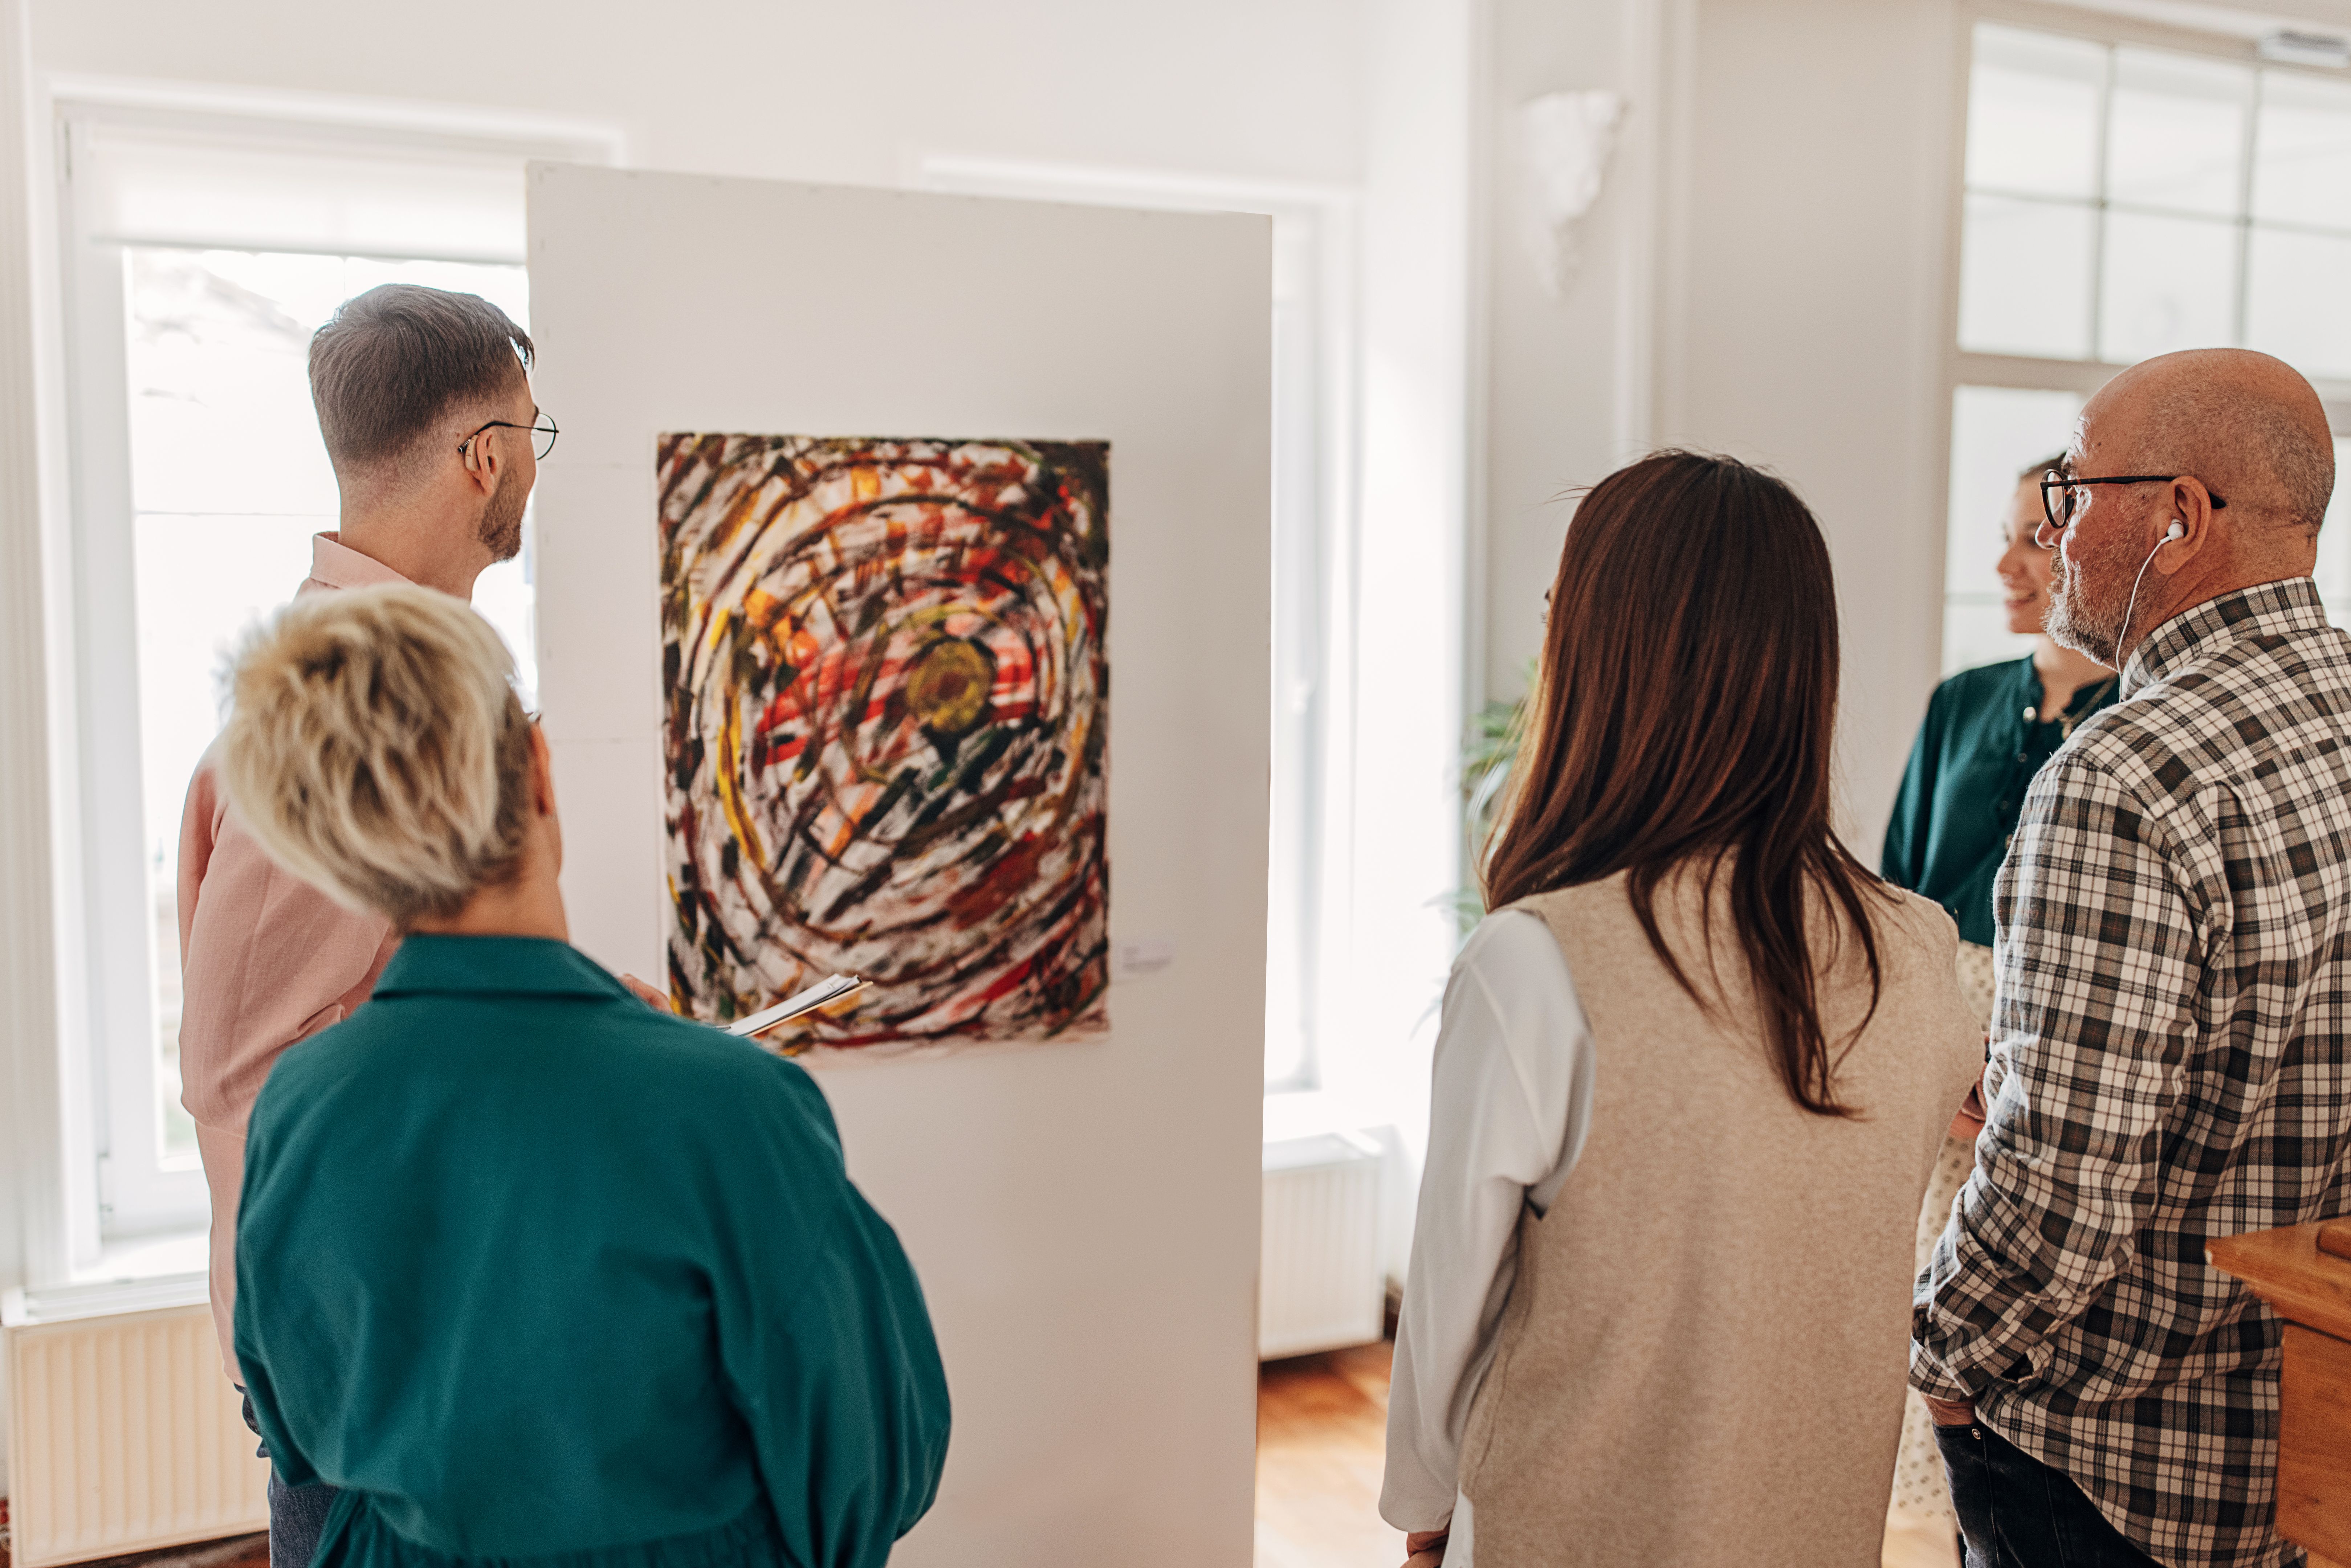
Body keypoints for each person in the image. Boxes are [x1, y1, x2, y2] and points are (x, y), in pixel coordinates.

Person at [220, 583, 952, 1568]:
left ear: (337, 854)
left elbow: (295, 1423)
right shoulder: (731, 1110)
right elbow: (877, 1463)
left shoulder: (300, 1107)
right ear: (538, 770)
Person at [1380, 451, 1982, 1568]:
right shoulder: (1917, 949)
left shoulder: (1535, 962)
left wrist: (1422, 1508)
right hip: (1809, 1528)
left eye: (1560, 611)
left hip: (1562, 1527)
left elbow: (1450, 1305)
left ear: (1602, 654)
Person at [1913, 347, 2347, 1568]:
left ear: (2179, 516)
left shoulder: (2122, 776)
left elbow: (2056, 1197)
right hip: (2313, 1458)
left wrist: (1937, 1357)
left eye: (2072, 486)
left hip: (2113, 1472)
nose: (2052, 529)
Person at [175, 282, 554, 1563]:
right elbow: (245, 1067)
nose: (533, 469)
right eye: (534, 436)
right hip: (382, 1377)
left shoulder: (376, 671)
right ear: (484, 457)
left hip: (400, 1353)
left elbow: (365, 996)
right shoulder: (362, 702)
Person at [1879, 456, 2119, 1558]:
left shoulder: (2133, 724)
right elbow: (1894, 894)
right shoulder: (1960, 701)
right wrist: (1918, 1051)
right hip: (1933, 1036)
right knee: (1918, 1300)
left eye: (2035, 537)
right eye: (2006, 536)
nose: (2007, 565)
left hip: (2047, 1055)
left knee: (2009, 1322)